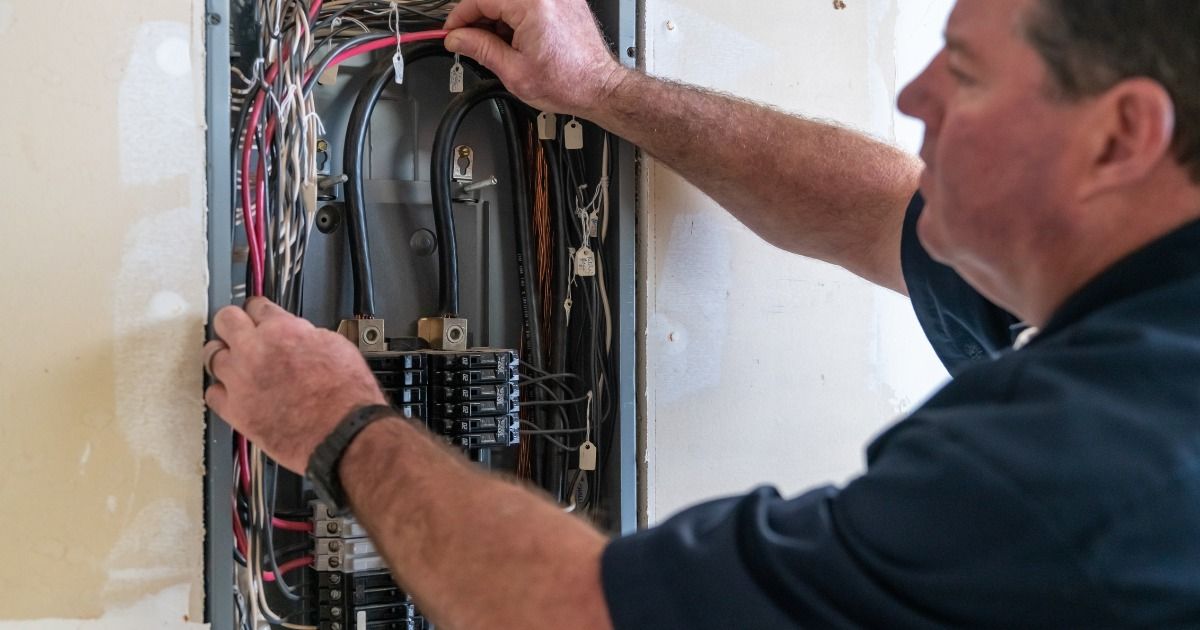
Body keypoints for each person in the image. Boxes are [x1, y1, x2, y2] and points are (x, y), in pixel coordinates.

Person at [203, 0, 1200, 626]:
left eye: (966, 72)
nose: (912, 92)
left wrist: (336, 423)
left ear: (1121, 135)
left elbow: (576, 614)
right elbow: (883, 209)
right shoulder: (1152, 302)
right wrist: (601, 88)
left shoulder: (1086, 464)